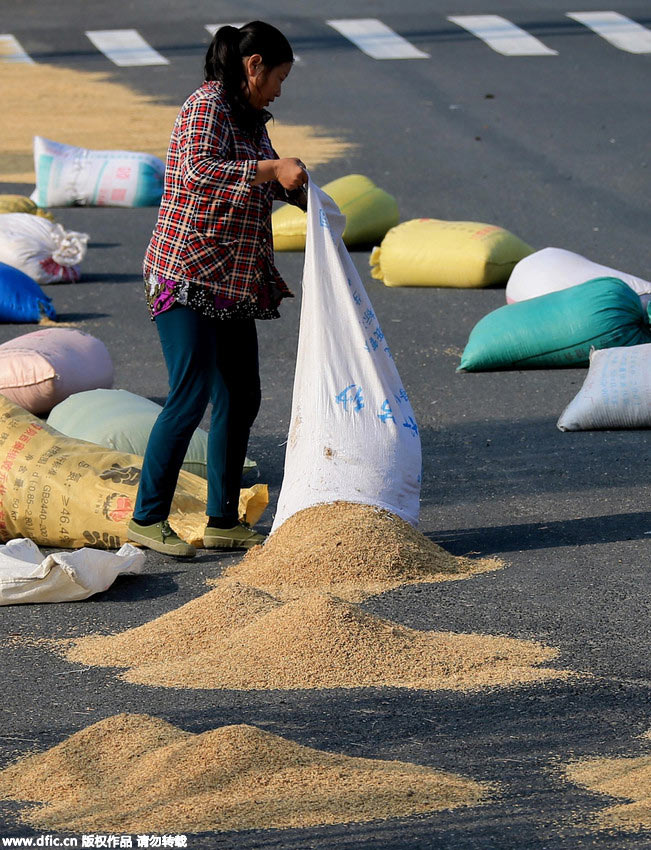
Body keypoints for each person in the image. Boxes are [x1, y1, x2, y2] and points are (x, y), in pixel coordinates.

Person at [127, 21, 308, 558]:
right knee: (191, 394)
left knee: (242, 393)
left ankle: (222, 519)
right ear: (254, 66)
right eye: (278, 77)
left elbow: (262, 179)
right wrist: (271, 166)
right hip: (183, 274)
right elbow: (200, 171)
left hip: (228, 282)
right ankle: (146, 518)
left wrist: (300, 192)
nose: (279, 89)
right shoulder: (206, 105)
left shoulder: (251, 118)